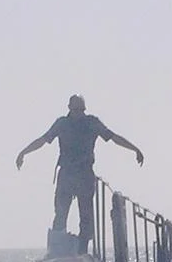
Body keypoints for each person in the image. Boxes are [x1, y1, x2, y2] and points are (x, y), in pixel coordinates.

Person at [16, 95, 144, 252]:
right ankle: (57, 249)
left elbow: (113, 137)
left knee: (86, 216)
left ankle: (82, 248)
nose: (78, 113)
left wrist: (134, 149)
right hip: (66, 175)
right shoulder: (62, 124)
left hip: (85, 175)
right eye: (75, 110)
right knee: (60, 213)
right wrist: (24, 152)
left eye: (80, 110)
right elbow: (43, 140)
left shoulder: (91, 123)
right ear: (69, 109)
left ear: (84, 110)